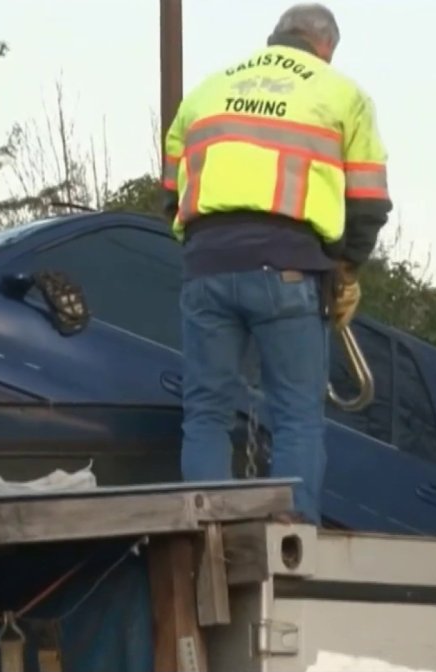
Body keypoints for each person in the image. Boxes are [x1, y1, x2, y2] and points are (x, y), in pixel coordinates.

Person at [161, 3, 392, 524]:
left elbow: (171, 189)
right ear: (326, 47)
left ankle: (204, 529)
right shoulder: (340, 92)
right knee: (296, 418)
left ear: (275, 37)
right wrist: (348, 269)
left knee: (205, 414)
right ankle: (291, 530)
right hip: (289, 268)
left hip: (207, 265)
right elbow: (369, 200)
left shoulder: (207, 89)